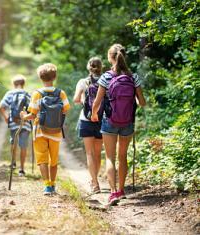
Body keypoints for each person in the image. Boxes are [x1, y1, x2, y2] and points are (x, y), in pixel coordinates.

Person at [91, 44, 146, 205]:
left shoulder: (106, 77)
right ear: (124, 56)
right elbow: (142, 102)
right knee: (123, 156)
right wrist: (130, 102)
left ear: (109, 57)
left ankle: (113, 192)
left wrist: (94, 114)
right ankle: (122, 191)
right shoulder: (133, 77)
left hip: (109, 120)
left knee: (110, 157)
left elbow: (97, 102)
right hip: (127, 121)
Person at [20, 63, 71, 195]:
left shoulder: (37, 94)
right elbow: (66, 110)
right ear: (54, 77)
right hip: (56, 131)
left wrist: (23, 117)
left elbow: (32, 114)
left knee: (42, 159)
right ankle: (53, 184)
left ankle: (47, 186)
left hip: (40, 131)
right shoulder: (61, 93)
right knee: (53, 160)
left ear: (40, 78)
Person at [73, 57, 104, 194]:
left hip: (86, 120)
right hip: (102, 120)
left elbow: (76, 99)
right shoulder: (106, 80)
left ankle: (95, 183)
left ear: (89, 67)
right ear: (101, 67)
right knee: (98, 153)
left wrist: (84, 103)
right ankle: (94, 179)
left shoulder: (83, 82)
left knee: (89, 153)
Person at [0, 74, 31, 177]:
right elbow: (32, 109)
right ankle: (22, 169)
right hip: (25, 123)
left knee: (13, 143)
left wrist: (6, 118)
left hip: (13, 123)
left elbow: (1, 107)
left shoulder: (10, 93)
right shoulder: (27, 94)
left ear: (13, 84)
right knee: (23, 145)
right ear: (23, 84)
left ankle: (13, 163)